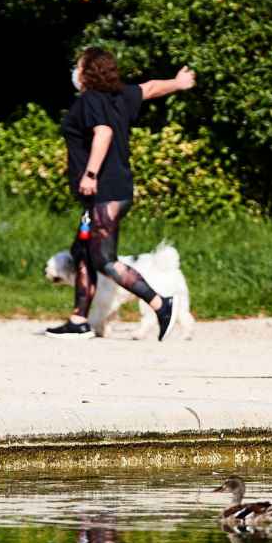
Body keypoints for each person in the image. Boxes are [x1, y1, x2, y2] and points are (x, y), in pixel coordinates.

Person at [45, 48, 196, 341]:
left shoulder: (90, 100)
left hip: (104, 190)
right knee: (83, 253)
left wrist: (90, 174)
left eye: (78, 66)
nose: (75, 72)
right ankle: (78, 321)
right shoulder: (121, 96)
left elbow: (103, 133)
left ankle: (160, 303)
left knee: (104, 259)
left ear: (87, 72)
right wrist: (177, 83)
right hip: (112, 190)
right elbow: (150, 88)